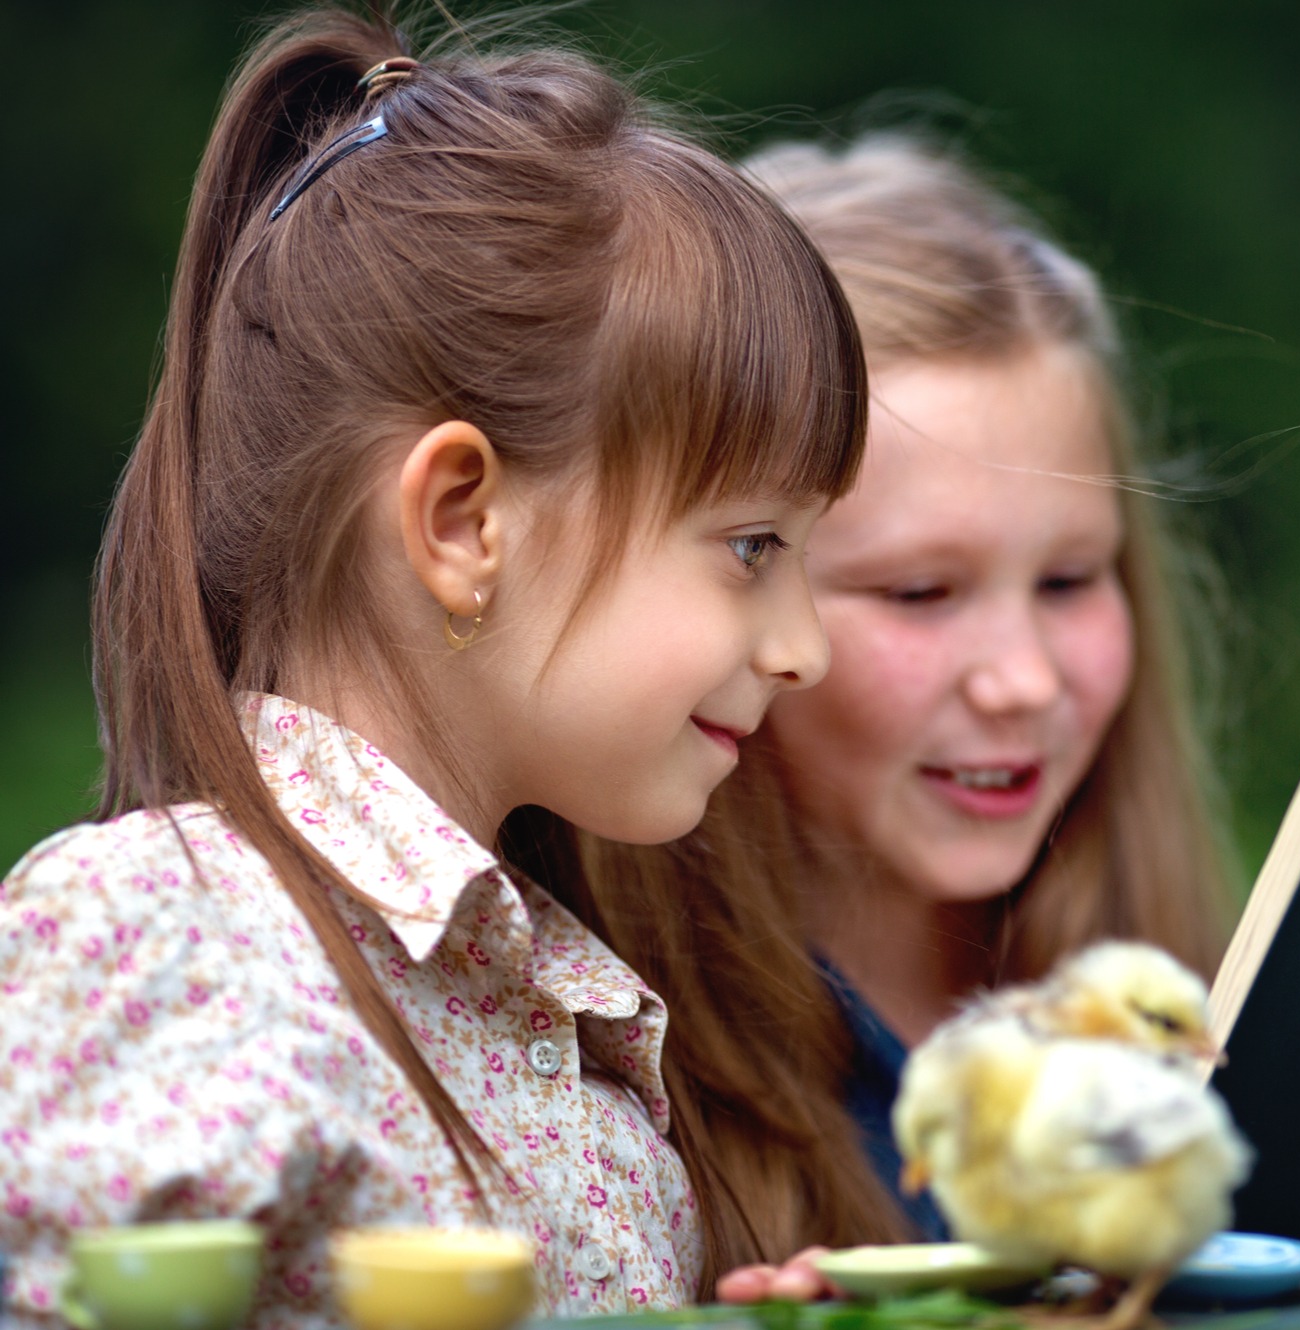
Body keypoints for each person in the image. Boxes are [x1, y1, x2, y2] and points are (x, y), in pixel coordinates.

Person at [570, 136, 1300, 1302]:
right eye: (921, 591)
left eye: (1071, 580)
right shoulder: (591, 1087)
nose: (1021, 678)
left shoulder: (1181, 1035)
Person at [0, 10, 867, 1323]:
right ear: (463, 520)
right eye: (752, 545)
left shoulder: (541, 996)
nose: (807, 648)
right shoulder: (165, 935)